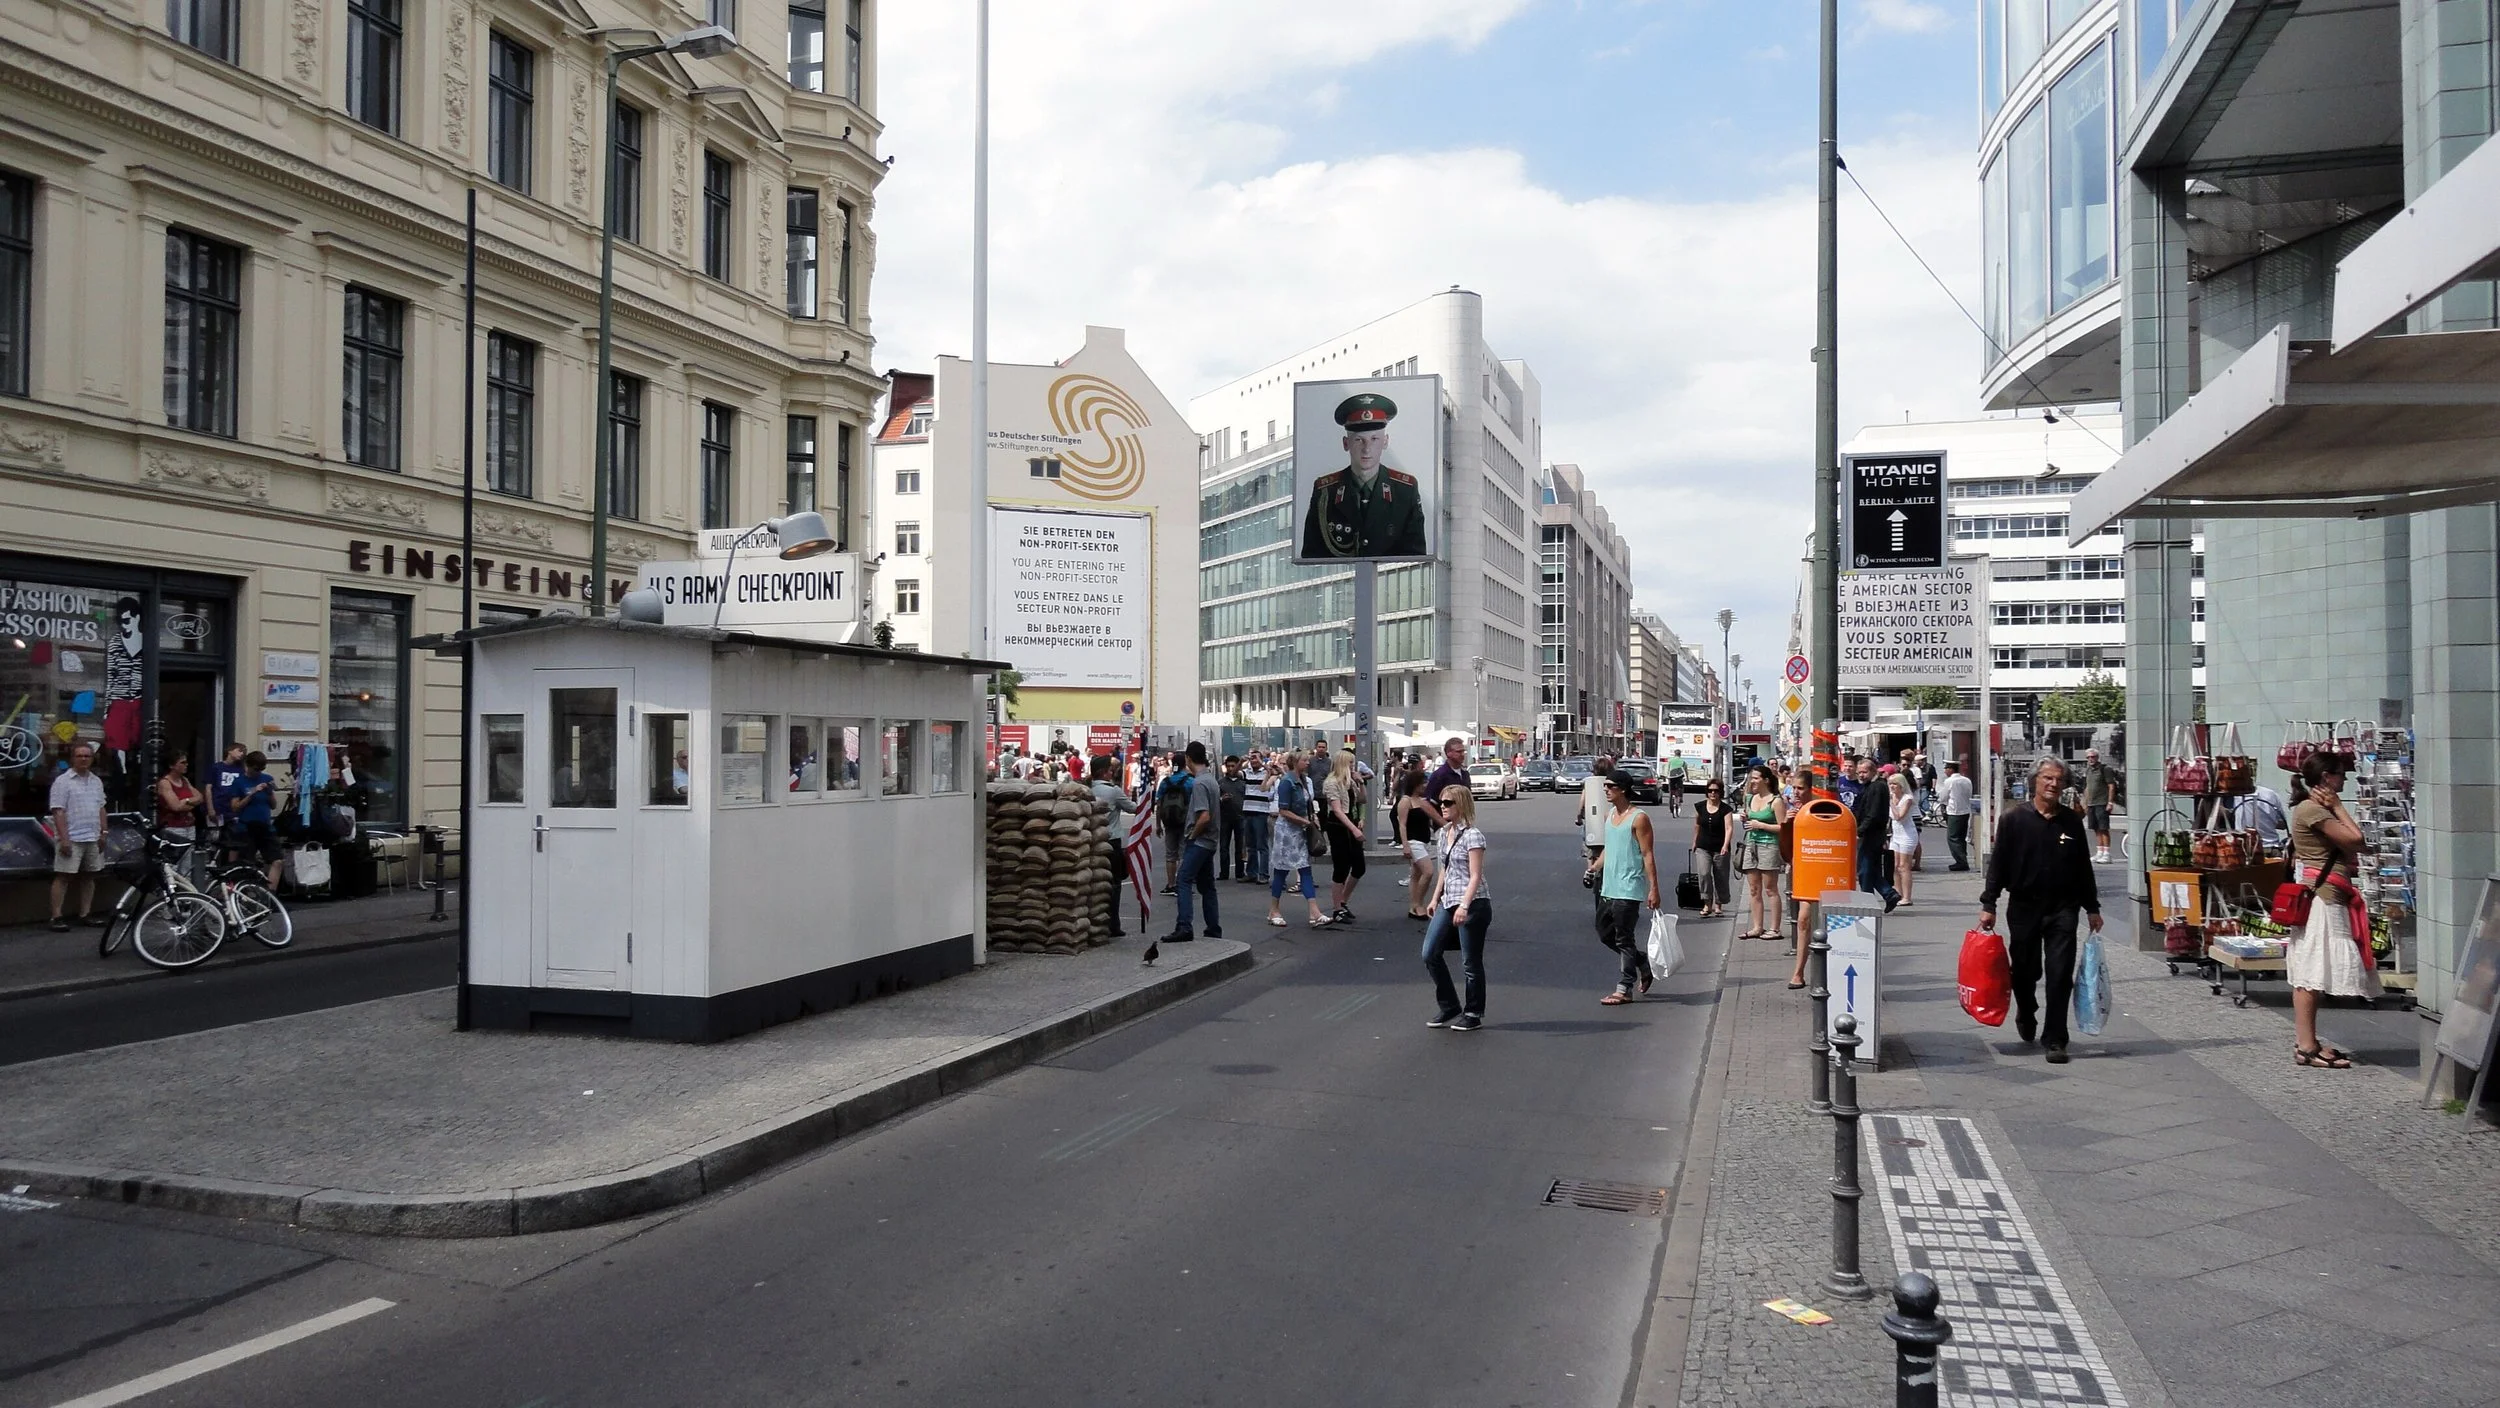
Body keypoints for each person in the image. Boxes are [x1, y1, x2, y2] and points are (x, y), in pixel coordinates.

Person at [1978, 759, 2102, 1064]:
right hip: (2024, 905)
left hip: (2063, 907)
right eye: (2047, 778)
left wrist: (2092, 907)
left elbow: (2083, 867)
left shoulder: (2071, 822)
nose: (2053, 784)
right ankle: (2026, 1008)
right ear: (2035, 781)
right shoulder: (2013, 819)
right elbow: (1998, 864)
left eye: (2059, 780)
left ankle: (2056, 1038)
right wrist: (1989, 903)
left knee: (2060, 975)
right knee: (2024, 971)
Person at [2285, 755, 2379, 1067]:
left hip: (2324, 895)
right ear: (2327, 778)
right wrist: (2338, 806)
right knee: (2312, 971)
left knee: (2312, 969)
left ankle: (2307, 1043)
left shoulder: (2314, 808)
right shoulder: (2314, 809)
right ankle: (2307, 1045)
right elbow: (2356, 840)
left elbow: (2359, 846)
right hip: (2321, 899)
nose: (2345, 780)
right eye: (2341, 775)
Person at [1300, 392, 1427, 559]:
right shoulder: (1325, 492)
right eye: (1359, 440)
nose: (1367, 449)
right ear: (1346, 444)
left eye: (1374, 439)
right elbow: (1312, 556)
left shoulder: (1405, 489)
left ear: (1385, 442)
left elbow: (1415, 557)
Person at [1421, 784, 1492, 1031]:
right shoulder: (1444, 833)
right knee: (1429, 953)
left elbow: (1475, 875)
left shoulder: (1473, 835)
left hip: (1473, 904)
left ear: (1461, 804)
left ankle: (1473, 1012)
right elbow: (1445, 869)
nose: (1443, 806)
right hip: (1447, 901)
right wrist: (1433, 898)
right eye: (1442, 802)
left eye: (1448, 802)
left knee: (1470, 962)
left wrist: (1464, 905)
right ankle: (1450, 1005)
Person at [1586, 773, 1661, 1005]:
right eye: (1605, 786)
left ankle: (1624, 987)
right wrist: (1594, 868)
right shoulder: (1610, 816)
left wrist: (1653, 889)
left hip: (1628, 888)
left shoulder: (1639, 818)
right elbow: (1610, 848)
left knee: (1624, 938)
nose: (1606, 789)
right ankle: (1642, 962)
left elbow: (1648, 854)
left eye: (1610, 786)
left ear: (1623, 790)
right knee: (1604, 933)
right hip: (1608, 886)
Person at [1166, 741, 1224, 945]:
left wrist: (1191, 835)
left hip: (1200, 841)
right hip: (1210, 841)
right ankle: (1213, 927)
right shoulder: (1211, 780)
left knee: (1183, 880)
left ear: (1189, 759)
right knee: (1207, 886)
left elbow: (1204, 816)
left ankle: (1184, 926)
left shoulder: (1199, 783)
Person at [48, 741, 109, 930]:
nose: (83, 759)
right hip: (72, 837)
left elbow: (101, 808)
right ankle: (56, 916)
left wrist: (104, 833)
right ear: (73, 758)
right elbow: (58, 811)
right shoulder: (63, 782)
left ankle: (85, 913)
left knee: (89, 876)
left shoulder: (96, 781)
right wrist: (64, 838)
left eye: (87, 756)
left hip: (92, 836)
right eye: (80, 756)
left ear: (92, 759)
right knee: (63, 876)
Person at [1267, 751, 1330, 928]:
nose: (1308, 763)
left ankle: (1314, 911)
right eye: (1304, 760)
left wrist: (1312, 818)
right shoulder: (1287, 782)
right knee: (1281, 870)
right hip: (1286, 832)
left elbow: (1307, 803)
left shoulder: (1303, 780)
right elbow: (1283, 810)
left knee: (1305, 869)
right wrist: (1306, 822)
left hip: (1300, 830)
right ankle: (1274, 910)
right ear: (1295, 762)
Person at [1734, 764, 1787, 941]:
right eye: (1751, 778)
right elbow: (1749, 820)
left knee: (1770, 889)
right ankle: (1757, 927)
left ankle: (1775, 929)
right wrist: (1746, 818)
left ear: (1765, 780)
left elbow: (1783, 828)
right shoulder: (1750, 798)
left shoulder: (1776, 801)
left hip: (1769, 846)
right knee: (1754, 889)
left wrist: (1761, 825)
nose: (1752, 781)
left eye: (1756, 778)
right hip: (1751, 844)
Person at [1089, 755, 1137, 939]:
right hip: (1112, 842)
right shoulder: (1113, 791)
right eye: (1110, 769)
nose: (1112, 772)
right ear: (1103, 772)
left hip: (1093, 842)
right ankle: (1112, 924)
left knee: (1095, 883)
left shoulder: (1087, 789)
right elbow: (1133, 808)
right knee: (1114, 884)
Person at [227, 750, 286, 890]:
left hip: (265, 826)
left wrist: (269, 793)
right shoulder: (239, 782)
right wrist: (252, 793)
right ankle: (246, 894)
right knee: (247, 864)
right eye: (256, 769)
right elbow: (235, 807)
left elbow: (273, 805)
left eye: (261, 769)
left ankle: (270, 897)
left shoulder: (266, 778)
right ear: (248, 765)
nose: (258, 772)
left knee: (277, 861)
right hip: (247, 827)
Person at [1849, 756, 1900, 911]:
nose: (1861, 775)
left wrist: (1860, 831)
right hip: (1873, 834)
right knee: (1871, 869)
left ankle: (1873, 900)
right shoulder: (1872, 786)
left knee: (1865, 870)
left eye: (1864, 772)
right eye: (1859, 773)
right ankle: (1887, 894)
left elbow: (1873, 813)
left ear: (1872, 771)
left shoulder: (1877, 787)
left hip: (1872, 835)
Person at [1322, 749, 1366, 924]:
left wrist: (1361, 783)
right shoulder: (1332, 782)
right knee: (1341, 866)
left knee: (1359, 866)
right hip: (1338, 825)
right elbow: (1337, 810)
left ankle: (1343, 900)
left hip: (1351, 821)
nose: (1352, 766)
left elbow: (1362, 800)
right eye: (1350, 763)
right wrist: (1354, 830)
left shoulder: (1350, 782)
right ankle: (1337, 909)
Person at [1397, 768, 1438, 920]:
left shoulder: (1421, 801)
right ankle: (1419, 904)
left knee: (1416, 874)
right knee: (1428, 871)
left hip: (1423, 840)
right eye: (1423, 783)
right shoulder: (1405, 801)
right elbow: (1402, 824)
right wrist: (1405, 845)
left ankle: (1413, 906)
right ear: (1415, 784)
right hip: (1414, 842)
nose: (1425, 786)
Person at [1691, 779, 1734, 918]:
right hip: (1703, 846)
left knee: (1720, 876)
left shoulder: (1725, 809)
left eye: (1716, 791)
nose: (1713, 793)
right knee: (1704, 874)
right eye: (1710, 791)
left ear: (1720, 792)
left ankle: (1718, 904)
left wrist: (1725, 845)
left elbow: (1729, 828)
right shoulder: (1700, 807)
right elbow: (1697, 825)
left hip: (1720, 847)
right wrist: (1694, 842)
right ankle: (1706, 903)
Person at [1574, 753, 1617, 882]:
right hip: (1611, 819)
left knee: (1590, 846)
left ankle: (1590, 872)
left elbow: (1583, 801)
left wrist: (1579, 816)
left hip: (1593, 822)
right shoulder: (1613, 782)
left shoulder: (1590, 782)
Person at [1154, 752, 1191, 894]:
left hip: (1169, 822)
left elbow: (1159, 803)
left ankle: (1170, 884)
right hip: (1185, 821)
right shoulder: (1190, 782)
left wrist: (1158, 824)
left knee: (1170, 855)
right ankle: (1182, 883)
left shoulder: (1166, 782)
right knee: (1183, 853)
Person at [1238, 752, 1275, 884]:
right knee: (1250, 845)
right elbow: (1234, 774)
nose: (1253, 760)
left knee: (1262, 845)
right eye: (1252, 758)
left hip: (1261, 811)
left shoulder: (1266, 772)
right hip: (1248, 810)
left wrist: (1261, 762)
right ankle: (1251, 873)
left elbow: (1271, 771)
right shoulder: (1246, 772)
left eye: (1255, 757)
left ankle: (1264, 874)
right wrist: (1240, 762)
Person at [156, 752, 205, 850]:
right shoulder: (165, 783)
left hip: (189, 825)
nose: (186, 765)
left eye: (186, 763)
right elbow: (176, 806)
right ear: (172, 766)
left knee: (188, 858)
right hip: (173, 827)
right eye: (182, 763)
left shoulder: (184, 780)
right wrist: (191, 803)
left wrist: (185, 801)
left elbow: (200, 797)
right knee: (175, 859)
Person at [2077, 748, 2117, 863]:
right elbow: (2088, 787)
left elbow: (2111, 786)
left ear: (2097, 757)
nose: (2090, 759)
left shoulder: (2105, 769)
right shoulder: (2088, 770)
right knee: (2095, 828)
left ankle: (2107, 853)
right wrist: (2084, 801)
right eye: (2088, 757)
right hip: (2091, 803)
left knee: (2103, 828)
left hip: (2102, 802)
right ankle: (2100, 852)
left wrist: (2110, 802)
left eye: (2093, 757)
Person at [2236, 782, 2291, 857]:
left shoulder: (2236, 795)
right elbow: (2282, 824)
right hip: (2262, 848)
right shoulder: (2270, 794)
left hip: (2263, 849)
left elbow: (2283, 824)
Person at [1889, 772, 1919, 908]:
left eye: (1894, 784)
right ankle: (1897, 893)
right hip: (1896, 834)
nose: (1892, 787)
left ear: (1901, 785)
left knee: (1904, 866)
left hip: (1907, 834)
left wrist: (1891, 803)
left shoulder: (1907, 798)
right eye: (1890, 784)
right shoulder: (1891, 796)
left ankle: (1907, 897)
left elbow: (1899, 816)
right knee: (1894, 866)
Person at [1940, 759, 1976, 871]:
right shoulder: (1966, 780)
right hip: (1965, 810)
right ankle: (1962, 859)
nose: (1945, 771)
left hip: (1954, 811)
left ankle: (1961, 861)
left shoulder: (1949, 781)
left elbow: (1943, 797)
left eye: (1946, 768)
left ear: (1951, 769)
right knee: (1961, 837)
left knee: (1953, 837)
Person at [1217, 755, 1247, 881]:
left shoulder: (1243, 783)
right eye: (1228, 766)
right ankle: (1224, 873)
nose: (1230, 769)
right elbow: (1214, 801)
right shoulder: (1221, 783)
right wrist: (1221, 799)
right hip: (1225, 818)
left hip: (1241, 817)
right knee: (1224, 846)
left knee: (1240, 846)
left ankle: (1240, 872)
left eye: (1232, 766)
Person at [1424, 736, 1469, 808]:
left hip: (1462, 818)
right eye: (1459, 752)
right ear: (1448, 753)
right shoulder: (1439, 775)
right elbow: (1427, 803)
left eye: (1463, 751)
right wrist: (1440, 819)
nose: (1462, 754)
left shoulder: (1465, 773)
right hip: (1445, 818)